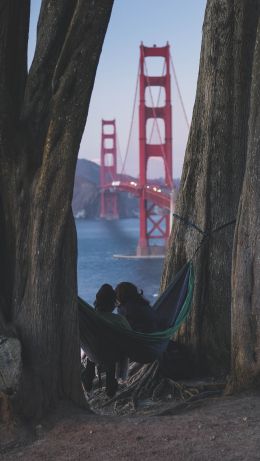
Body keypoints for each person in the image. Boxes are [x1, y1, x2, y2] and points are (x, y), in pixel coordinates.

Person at [82, 283, 131, 397]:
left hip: (92, 353)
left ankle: (88, 382)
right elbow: (130, 335)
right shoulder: (119, 320)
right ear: (113, 303)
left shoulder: (90, 317)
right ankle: (111, 390)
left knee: (92, 348)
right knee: (112, 352)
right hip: (112, 356)